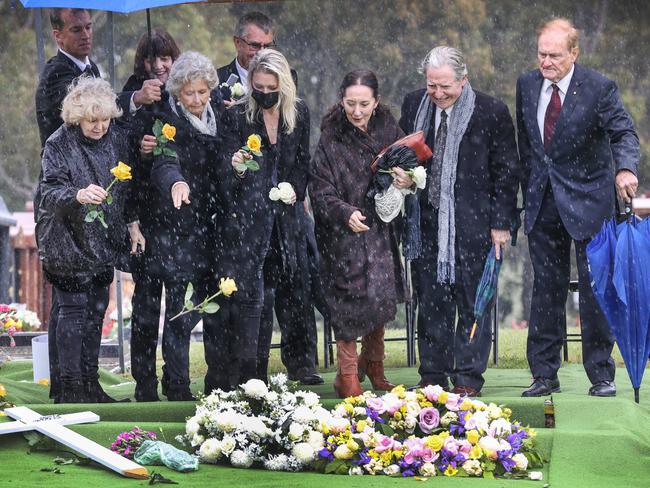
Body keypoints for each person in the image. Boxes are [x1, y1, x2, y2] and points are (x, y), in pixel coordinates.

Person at [517, 18, 639, 397]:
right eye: (541, 54)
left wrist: (624, 168)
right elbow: (528, 144)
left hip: (591, 201)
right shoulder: (526, 84)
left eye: (554, 55)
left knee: (595, 289)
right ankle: (543, 374)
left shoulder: (599, 88)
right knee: (546, 290)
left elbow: (624, 132)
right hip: (542, 203)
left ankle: (601, 374)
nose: (546, 62)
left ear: (574, 53)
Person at [399, 46, 519, 397]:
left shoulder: (491, 111)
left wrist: (501, 223)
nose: (436, 93)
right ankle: (432, 376)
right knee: (432, 303)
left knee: (473, 302)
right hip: (426, 224)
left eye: (445, 86)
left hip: (476, 225)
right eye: (431, 85)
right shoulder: (413, 104)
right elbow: (403, 154)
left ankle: (467, 378)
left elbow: (507, 172)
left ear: (463, 80)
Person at [34, 77, 143, 403]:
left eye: (105, 119)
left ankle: (90, 383)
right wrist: (78, 194)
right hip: (65, 238)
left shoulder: (119, 139)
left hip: (103, 237)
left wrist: (133, 223)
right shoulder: (58, 143)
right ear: (76, 117)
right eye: (91, 120)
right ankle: (70, 388)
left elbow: (128, 188)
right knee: (73, 311)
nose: (99, 127)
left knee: (96, 310)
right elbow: (50, 192)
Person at [309, 69, 409, 398]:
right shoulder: (330, 138)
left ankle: (374, 366)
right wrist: (345, 212)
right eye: (350, 103)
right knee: (348, 302)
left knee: (379, 299)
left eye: (364, 104)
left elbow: (409, 163)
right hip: (342, 235)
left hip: (380, 230)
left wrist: (404, 179)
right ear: (341, 100)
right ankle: (347, 375)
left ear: (376, 102)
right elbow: (320, 190)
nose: (356, 111)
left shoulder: (390, 130)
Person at [217, 49, 310, 390]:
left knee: (283, 291)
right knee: (251, 297)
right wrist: (237, 166)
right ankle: (248, 372)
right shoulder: (237, 116)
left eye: (272, 86)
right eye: (258, 85)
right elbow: (224, 165)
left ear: (283, 86)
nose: (265, 92)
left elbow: (302, 161)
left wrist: (294, 189)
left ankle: (292, 363)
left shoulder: (298, 114)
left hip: (285, 219)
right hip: (247, 219)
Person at [146, 51, 225, 401]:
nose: (196, 100)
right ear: (177, 92)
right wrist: (176, 182)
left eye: (202, 92)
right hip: (178, 229)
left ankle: (217, 384)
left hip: (216, 229)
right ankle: (176, 383)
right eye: (189, 93)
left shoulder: (222, 114)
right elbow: (164, 162)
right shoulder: (166, 121)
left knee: (216, 307)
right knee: (181, 309)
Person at [120, 28, 181, 402]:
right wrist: (141, 148)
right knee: (145, 304)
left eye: (166, 58)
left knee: (177, 304)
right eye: (152, 59)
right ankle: (144, 383)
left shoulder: (181, 93)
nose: (159, 65)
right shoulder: (133, 91)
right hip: (144, 213)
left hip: (176, 213)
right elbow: (120, 151)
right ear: (142, 62)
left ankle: (176, 380)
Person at [217, 11, 297, 103]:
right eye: (255, 45)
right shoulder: (217, 79)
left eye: (267, 46)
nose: (262, 52)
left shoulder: (286, 77)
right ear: (238, 43)